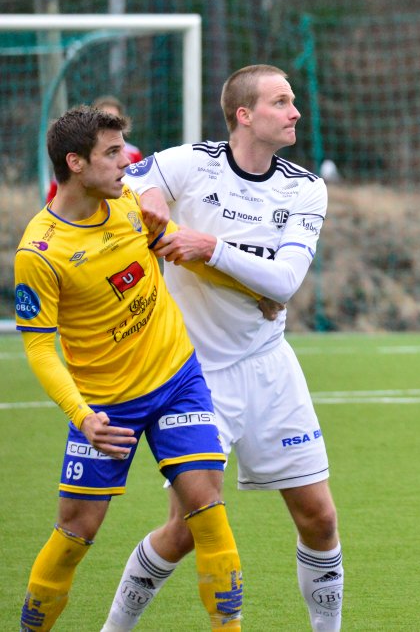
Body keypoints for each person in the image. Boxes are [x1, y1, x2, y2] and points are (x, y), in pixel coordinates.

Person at [101, 65, 342, 631]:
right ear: (244, 114)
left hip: (269, 368)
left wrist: (208, 247)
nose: (294, 112)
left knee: (320, 518)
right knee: (186, 529)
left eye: (292, 102)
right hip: (194, 376)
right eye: (281, 102)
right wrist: (153, 197)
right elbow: (127, 186)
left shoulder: (304, 187)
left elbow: (283, 284)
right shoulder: (193, 161)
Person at [15, 106, 243, 630]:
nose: (127, 162)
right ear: (75, 163)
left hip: (176, 380)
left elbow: (187, 251)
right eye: (113, 153)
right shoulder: (40, 253)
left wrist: (257, 292)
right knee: (76, 533)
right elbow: (40, 348)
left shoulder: (133, 206)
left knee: (207, 510)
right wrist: (81, 414)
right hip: (104, 405)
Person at [46, 96, 143, 204]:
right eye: (112, 153)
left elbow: (141, 183)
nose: (126, 162)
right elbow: (56, 194)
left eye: (114, 117)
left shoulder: (133, 153)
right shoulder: (74, 155)